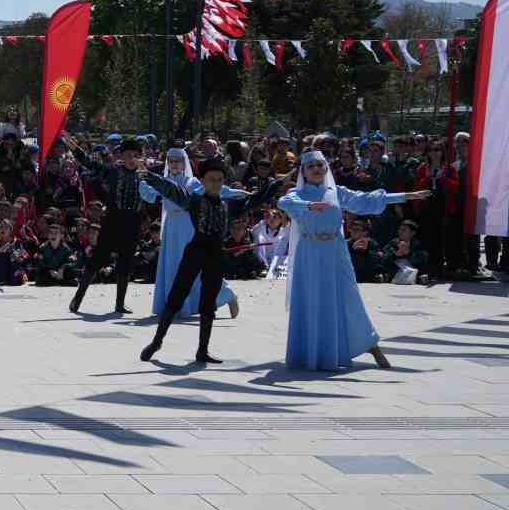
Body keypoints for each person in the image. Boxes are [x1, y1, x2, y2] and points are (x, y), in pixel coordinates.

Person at [275, 150, 432, 371]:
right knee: (311, 298)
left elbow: (367, 200)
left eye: (321, 165)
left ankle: (368, 343)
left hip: (335, 251)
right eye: (312, 166)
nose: (317, 169)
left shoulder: (336, 192)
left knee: (347, 297)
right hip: (309, 253)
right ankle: (311, 353)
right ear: (304, 171)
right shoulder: (297, 193)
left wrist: (406, 196)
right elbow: (284, 203)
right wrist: (309, 206)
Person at [138, 160, 281, 365]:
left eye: (219, 180)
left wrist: (275, 186)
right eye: (211, 180)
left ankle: (202, 350)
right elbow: (172, 190)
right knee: (176, 296)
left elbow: (255, 200)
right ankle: (157, 341)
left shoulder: (228, 205)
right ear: (203, 181)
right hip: (195, 251)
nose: (215, 183)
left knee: (208, 303)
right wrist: (151, 177)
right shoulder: (194, 200)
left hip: (215, 255)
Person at [141, 148, 242, 321]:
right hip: (171, 228)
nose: (174, 164)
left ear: (184, 163)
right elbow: (148, 194)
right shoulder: (163, 181)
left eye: (178, 161)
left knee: (198, 267)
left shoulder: (191, 182)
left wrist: (240, 193)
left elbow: (217, 190)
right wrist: (140, 176)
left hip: (188, 228)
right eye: (171, 161)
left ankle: (227, 295)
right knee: (174, 265)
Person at [64, 135, 144, 315]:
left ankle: (120, 303)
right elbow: (90, 163)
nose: (132, 158)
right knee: (96, 260)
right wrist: (74, 147)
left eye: (135, 155)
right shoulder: (113, 172)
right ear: (121, 156)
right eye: (128, 154)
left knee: (126, 263)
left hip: (132, 224)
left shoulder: (145, 175)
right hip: (113, 222)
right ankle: (78, 298)